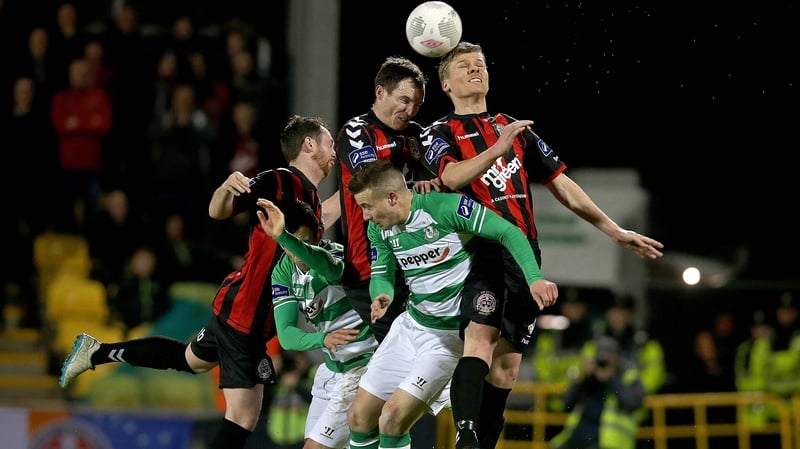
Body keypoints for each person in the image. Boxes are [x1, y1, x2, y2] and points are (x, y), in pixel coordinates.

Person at [421, 41, 665, 449]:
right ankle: (465, 438)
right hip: (481, 250)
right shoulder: (440, 132)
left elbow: (562, 185)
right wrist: (497, 149)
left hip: (525, 254)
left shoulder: (513, 127)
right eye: (463, 66)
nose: (475, 69)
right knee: (479, 339)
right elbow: (450, 177)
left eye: (480, 63)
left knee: (506, 370)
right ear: (446, 84)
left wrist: (614, 230)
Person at [58, 114, 337, 449]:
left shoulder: (312, 199)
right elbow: (218, 211)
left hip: (248, 310)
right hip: (246, 312)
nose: (335, 150)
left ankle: (96, 352)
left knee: (189, 359)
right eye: (329, 143)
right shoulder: (278, 180)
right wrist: (225, 187)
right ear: (309, 145)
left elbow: (331, 213)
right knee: (243, 417)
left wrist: (365, 184)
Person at [345, 160, 558, 449]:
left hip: (446, 340)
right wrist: (382, 294)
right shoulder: (379, 229)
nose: (365, 215)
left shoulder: (446, 208)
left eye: (367, 206)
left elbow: (508, 232)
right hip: (410, 326)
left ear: (392, 197)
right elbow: (381, 271)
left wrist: (534, 279)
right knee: (358, 417)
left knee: (392, 418)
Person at [334, 55, 440, 343]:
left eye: (417, 104)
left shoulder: (418, 135)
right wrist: (420, 185)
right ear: (380, 92)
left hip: (414, 262)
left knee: (422, 352)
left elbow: (446, 176)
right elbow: (375, 184)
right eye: (404, 100)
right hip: (369, 267)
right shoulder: (357, 131)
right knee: (403, 354)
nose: (411, 110)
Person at [258, 197, 378, 449]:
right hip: (332, 369)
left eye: (303, 242)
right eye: (287, 245)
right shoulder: (283, 271)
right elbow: (287, 335)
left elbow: (329, 269)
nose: (296, 254)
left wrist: (284, 238)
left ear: (319, 234)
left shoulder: (336, 255)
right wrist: (322, 339)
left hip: (364, 365)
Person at [548, 336, 645, 449]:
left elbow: (632, 403)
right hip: (577, 439)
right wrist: (583, 378)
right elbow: (566, 403)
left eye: (608, 358)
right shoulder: (590, 378)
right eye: (600, 357)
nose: (603, 362)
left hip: (610, 443)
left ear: (618, 359)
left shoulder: (628, 377)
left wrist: (611, 379)